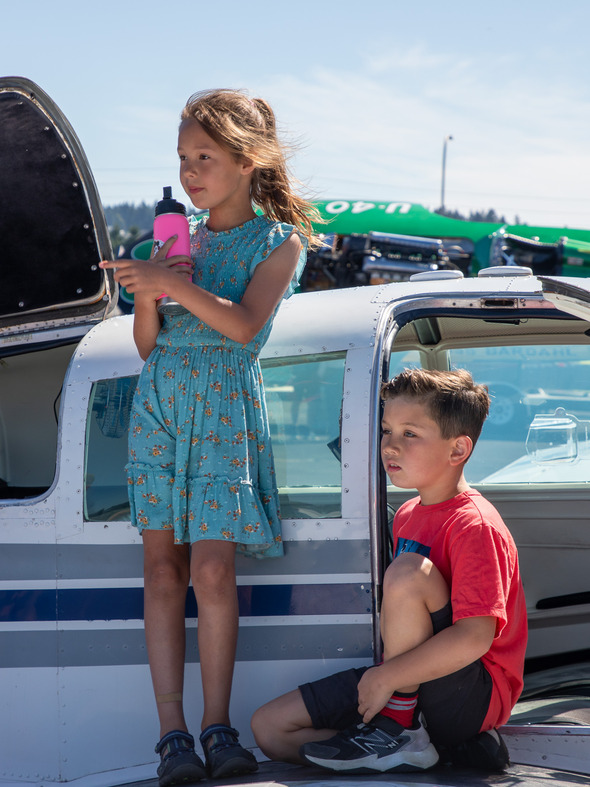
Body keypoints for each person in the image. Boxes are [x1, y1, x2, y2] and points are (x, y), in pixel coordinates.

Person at [100, 88, 319, 785]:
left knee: (213, 572)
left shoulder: (280, 242)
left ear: (249, 161)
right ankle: (173, 736)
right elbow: (148, 346)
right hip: (161, 406)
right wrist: (146, 293)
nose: (190, 172)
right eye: (183, 158)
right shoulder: (173, 235)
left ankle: (218, 727)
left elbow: (245, 326)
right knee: (162, 572)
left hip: (224, 409)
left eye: (205, 157)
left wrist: (166, 278)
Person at [251, 368, 527, 774]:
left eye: (409, 433)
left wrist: (386, 678)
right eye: (386, 431)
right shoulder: (408, 515)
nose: (390, 446)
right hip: (408, 675)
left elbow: (474, 637)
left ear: (458, 450)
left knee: (408, 572)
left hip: (469, 692)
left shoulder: (475, 525)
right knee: (270, 729)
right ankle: (423, 748)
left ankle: (400, 728)